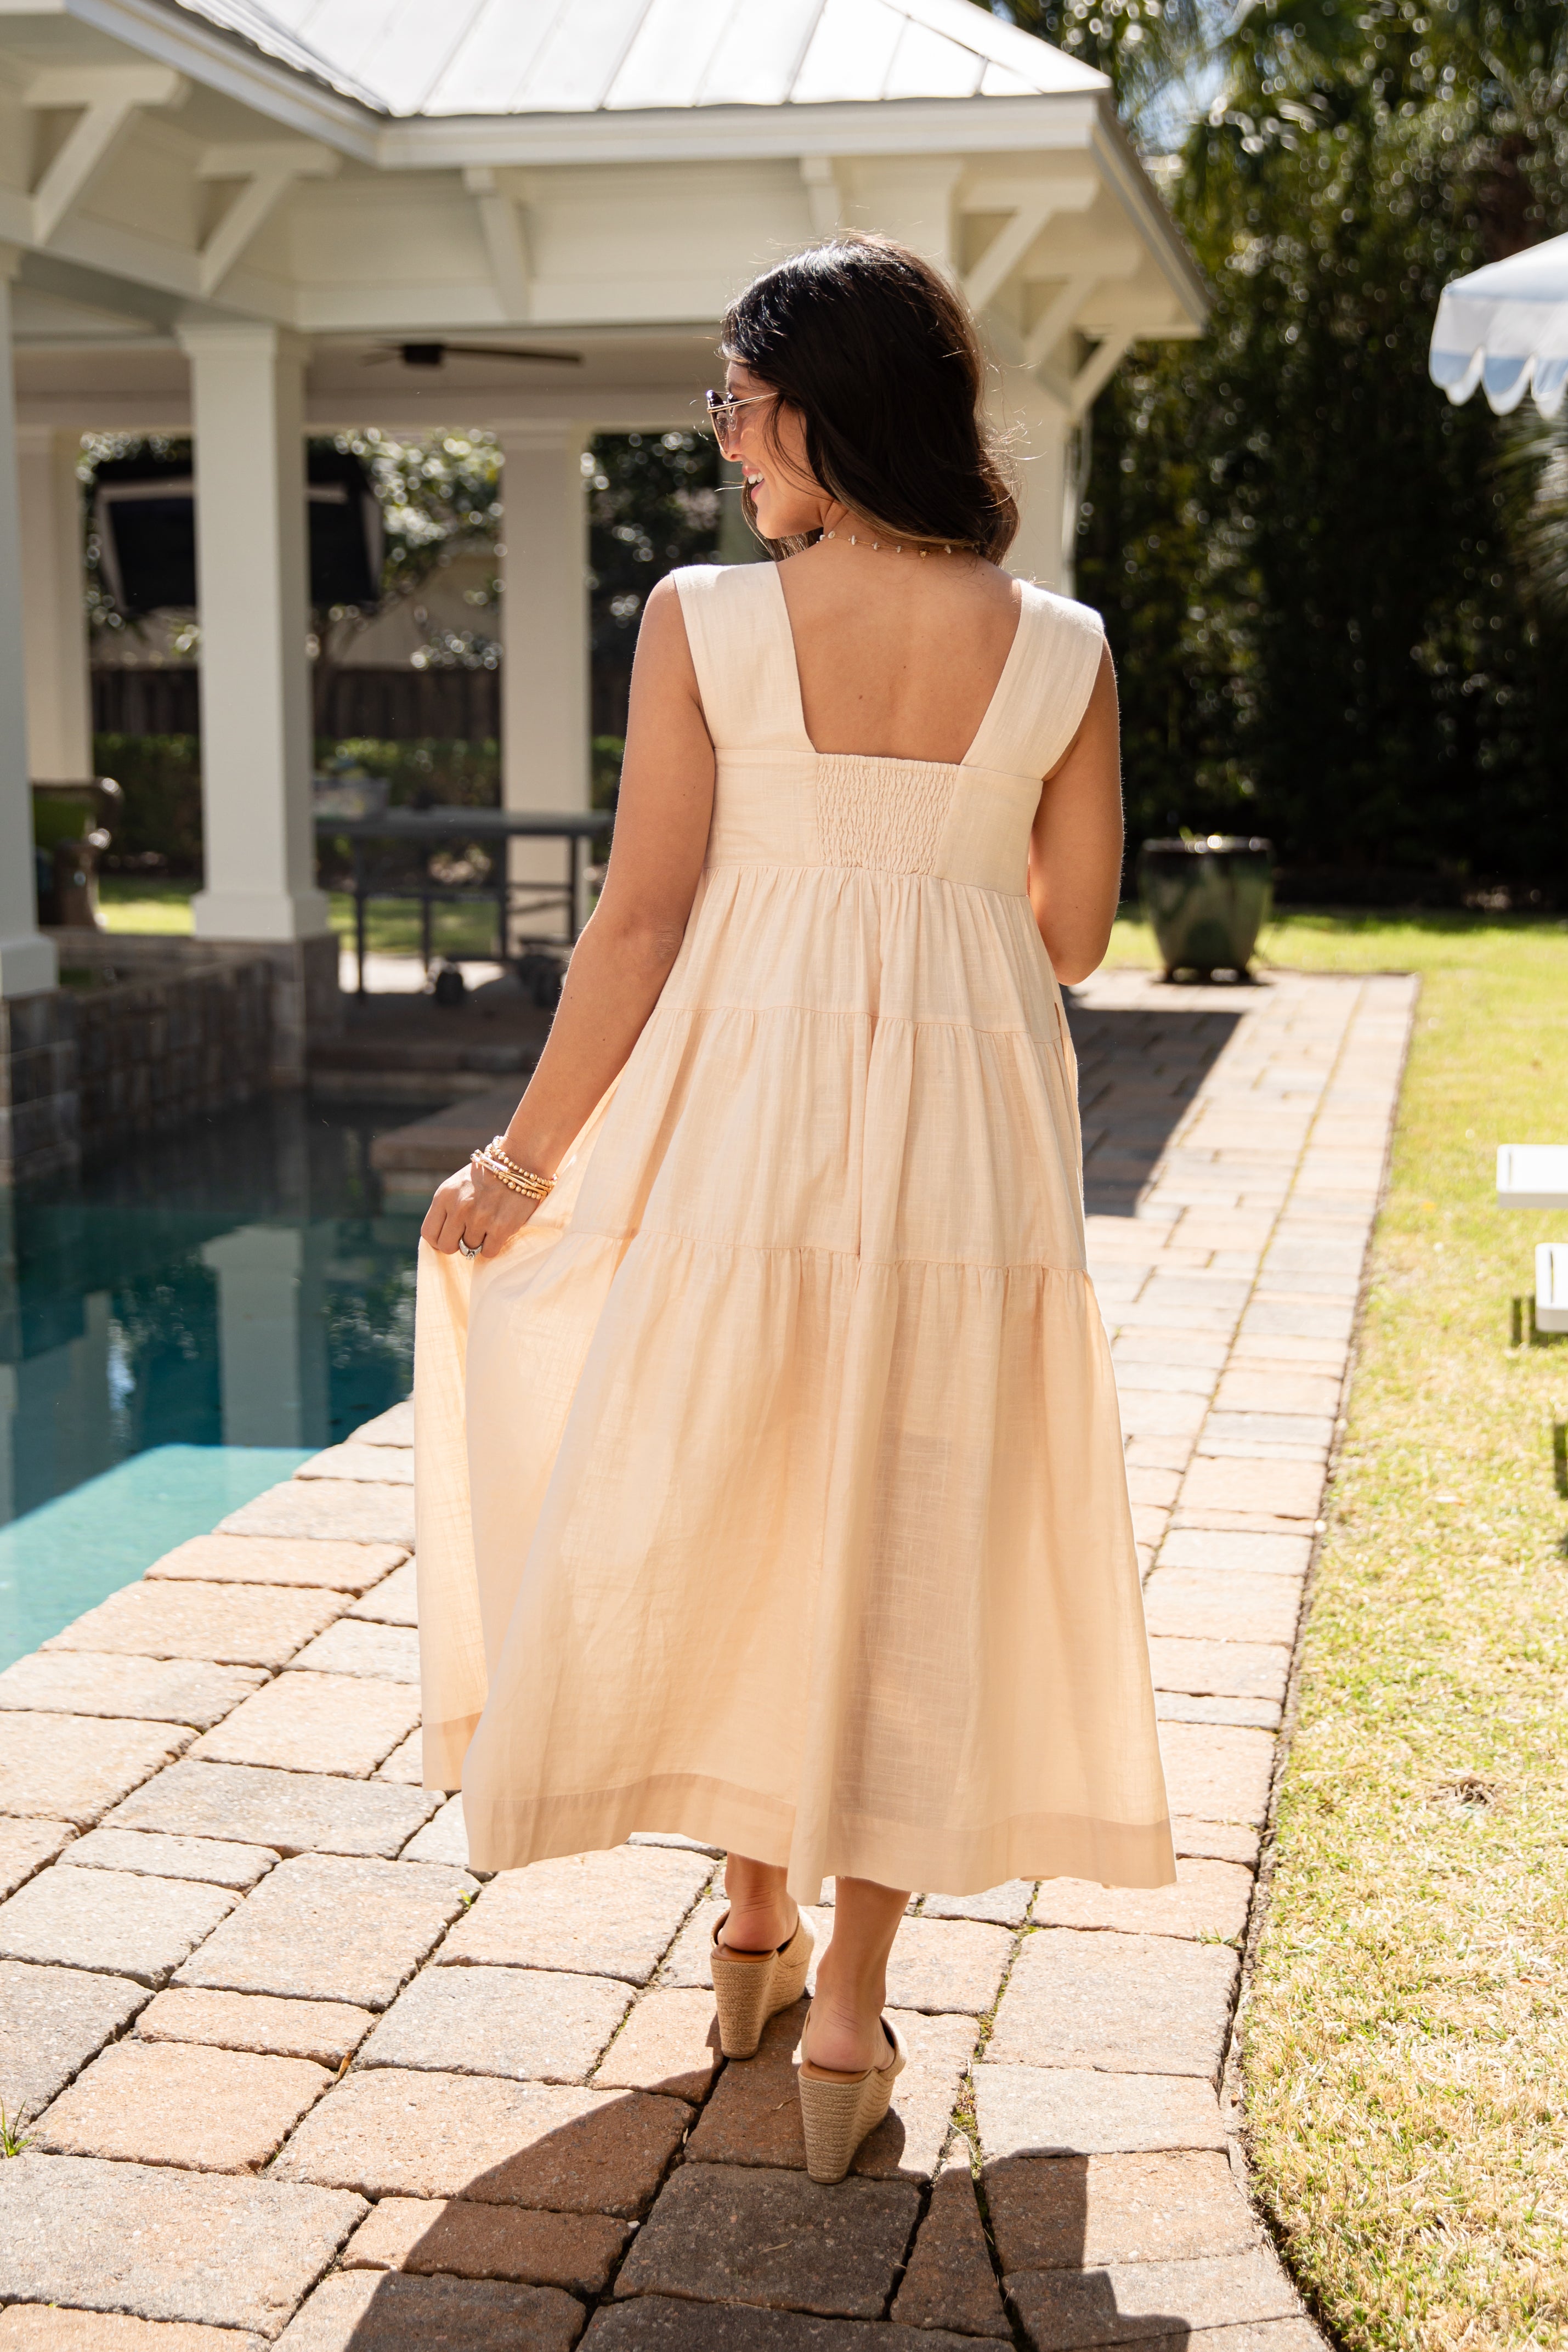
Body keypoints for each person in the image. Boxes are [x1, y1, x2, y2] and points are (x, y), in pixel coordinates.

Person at [416, 234, 1173, 2185]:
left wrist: (521, 1163)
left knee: (742, 1488)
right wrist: (938, 863)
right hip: (967, 1143)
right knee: (911, 1520)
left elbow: (639, 924)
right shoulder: (1067, 649)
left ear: (824, 413)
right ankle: (845, 2004)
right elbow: (1073, 937)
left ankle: (747, 1921)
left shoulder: (702, 621)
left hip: (743, 1128)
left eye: (738, 408)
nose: (727, 444)